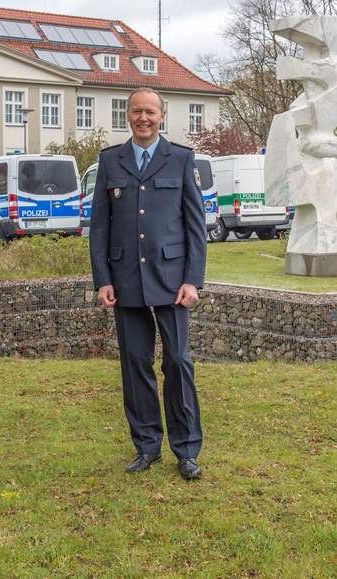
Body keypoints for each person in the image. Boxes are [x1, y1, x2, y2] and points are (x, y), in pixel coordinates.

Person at [89, 88, 207, 480]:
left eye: (150, 112)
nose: (143, 118)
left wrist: (193, 280)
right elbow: (100, 226)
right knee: (136, 364)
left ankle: (187, 450)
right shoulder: (110, 160)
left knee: (177, 362)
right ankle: (146, 446)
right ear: (128, 115)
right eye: (137, 111)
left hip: (173, 282)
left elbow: (195, 226)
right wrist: (102, 279)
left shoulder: (181, 158)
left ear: (162, 116)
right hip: (126, 281)